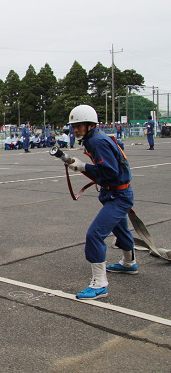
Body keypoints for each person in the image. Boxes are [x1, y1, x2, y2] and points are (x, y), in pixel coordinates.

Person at [65, 105, 136, 300]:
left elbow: (110, 171)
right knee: (121, 230)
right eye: (73, 126)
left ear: (90, 125)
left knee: (95, 235)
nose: (75, 129)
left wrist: (83, 166)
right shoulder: (96, 138)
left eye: (79, 125)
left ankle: (99, 284)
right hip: (116, 193)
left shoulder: (96, 141)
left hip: (117, 197)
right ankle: (129, 263)